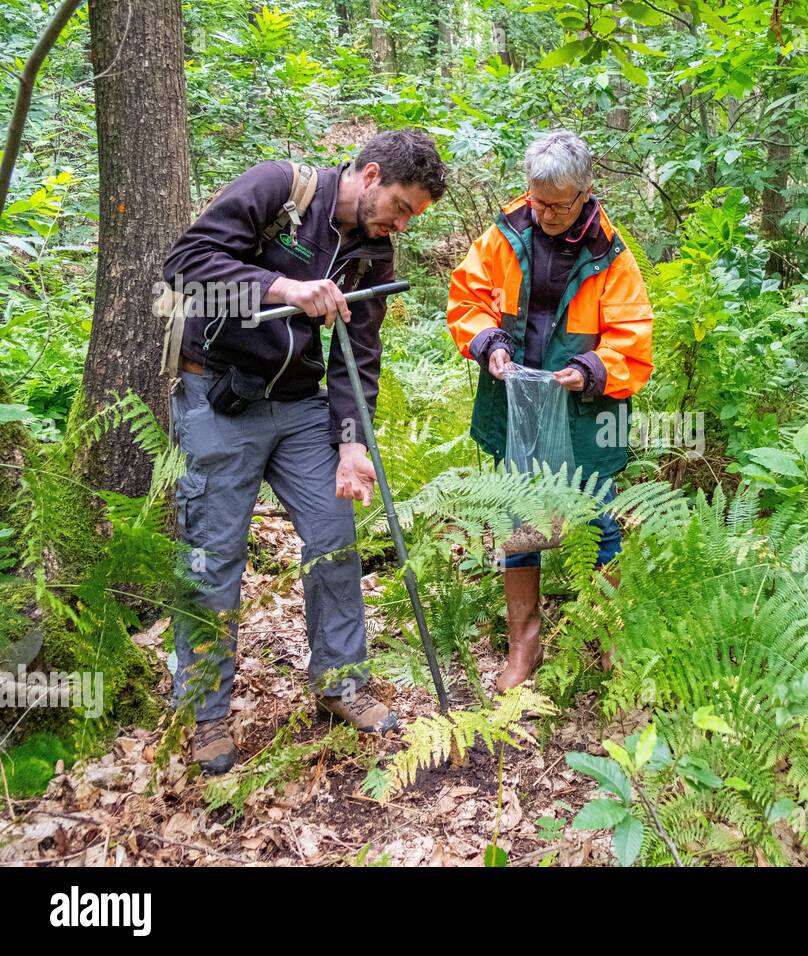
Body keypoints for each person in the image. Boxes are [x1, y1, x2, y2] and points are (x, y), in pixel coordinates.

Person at [162, 130, 446, 774]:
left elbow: (357, 361)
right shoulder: (280, 189)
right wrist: (283, 289)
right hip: (217, 398)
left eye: (412, 218)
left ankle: (339, 684)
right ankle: (205, 714)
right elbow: (183, 269)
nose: (401, 223)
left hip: (299, 407)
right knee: (212, 556)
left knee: (334, 536)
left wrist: (352, 447)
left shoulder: (374, 256)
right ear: (370, 174)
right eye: (400, 206)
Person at [447, 130, 653, 691]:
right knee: (518, 524)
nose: (547, 213)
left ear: (586, 193)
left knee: (602, 523)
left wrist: (590, 370)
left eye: (560, 204)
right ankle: (525, 647)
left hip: (586, 413)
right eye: (538, 200)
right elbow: (466, 299)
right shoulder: (505, 233)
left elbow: (633, 340)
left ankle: (611, 645)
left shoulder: (610, 254)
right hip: (515, 403)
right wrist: (489, 343)